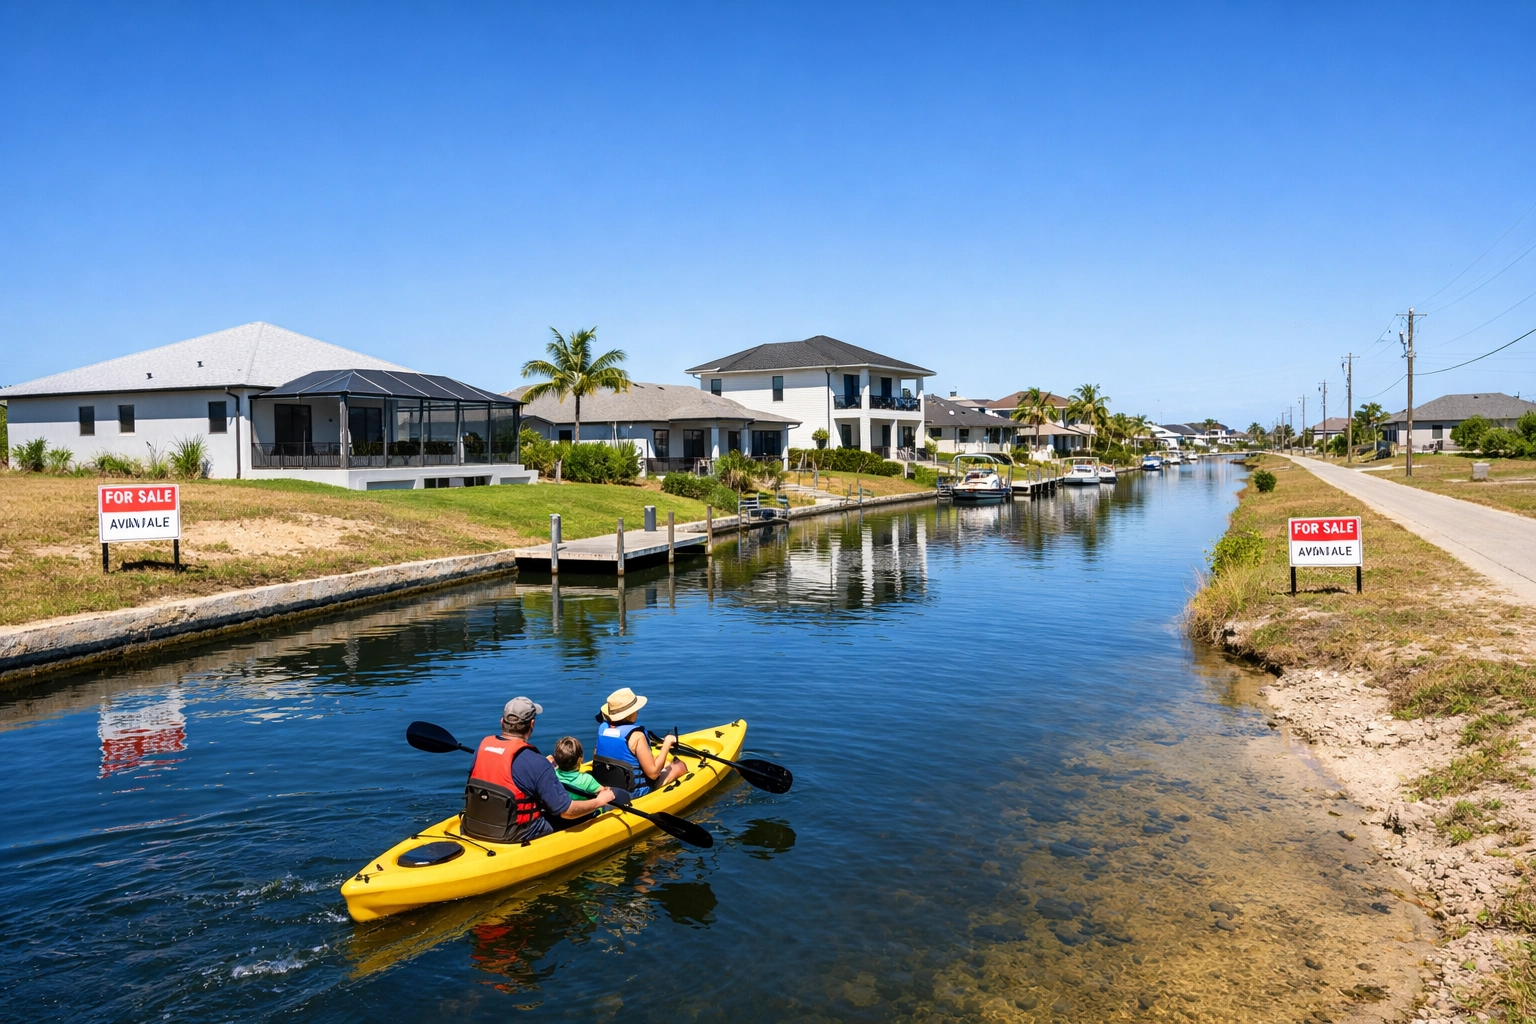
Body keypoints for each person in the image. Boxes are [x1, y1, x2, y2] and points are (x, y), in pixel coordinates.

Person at [463, 697, 614, 843]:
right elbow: (567, 811)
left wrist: (544, 770)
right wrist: (599, 801)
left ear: (502, 722)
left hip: (473, 825)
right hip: (516, 834)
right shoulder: (537, 763)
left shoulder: (482, 749)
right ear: (532, 724)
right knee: (581, 815)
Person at [593, 687, 686, 796]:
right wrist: (667, 743)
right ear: (631, 714)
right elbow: (653, 774)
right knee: (680, 766)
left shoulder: (602, 728)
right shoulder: (637, 736)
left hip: (606, 785)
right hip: (632, 792)